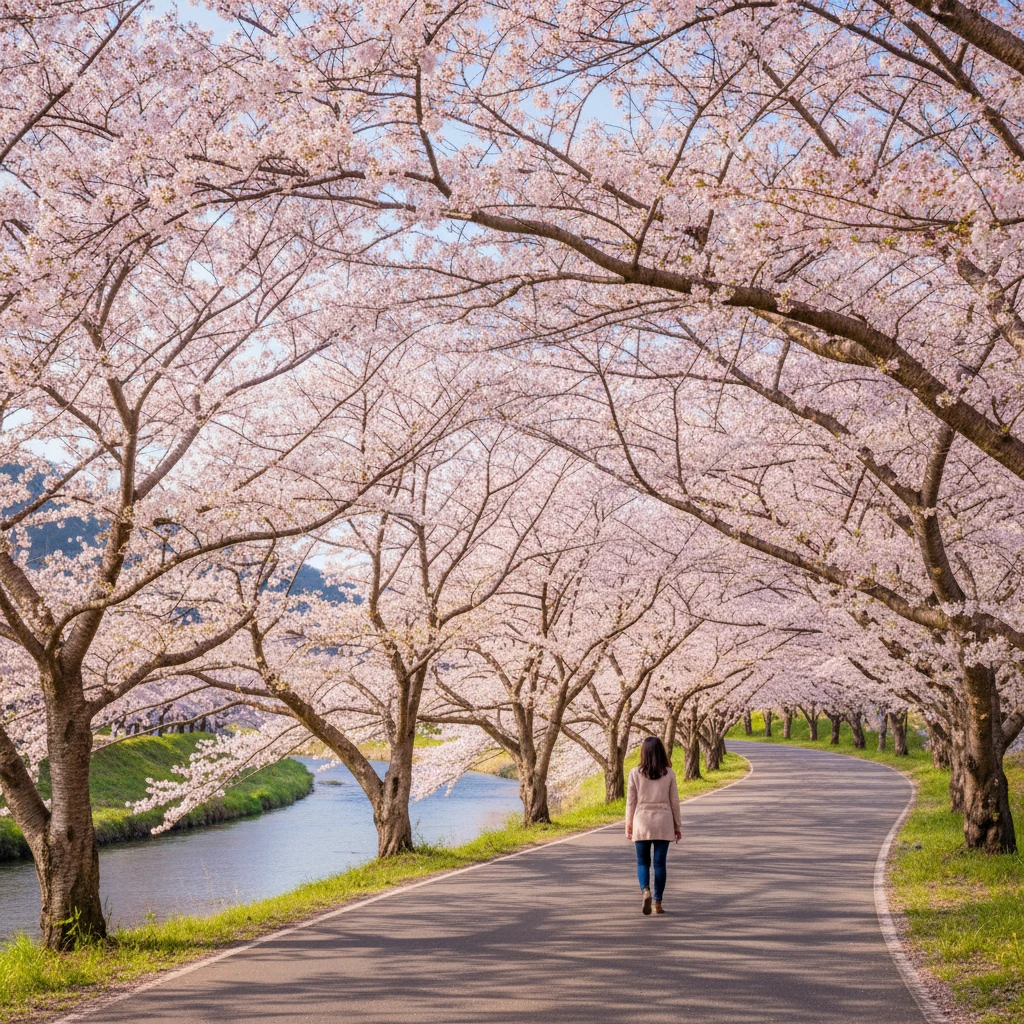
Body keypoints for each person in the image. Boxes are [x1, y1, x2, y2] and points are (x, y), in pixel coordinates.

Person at [625, 736, 682, 915]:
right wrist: (677, 825)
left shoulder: (634, 773)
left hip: (641, 820)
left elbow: (630, 802)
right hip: (663, 822)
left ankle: (645, 890)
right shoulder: (669, 773)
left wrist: (628, 823)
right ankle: (657, 902)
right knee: (659, 864)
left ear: (643, 752)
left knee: (642, 862)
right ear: (661, 752)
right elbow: (675, 802)